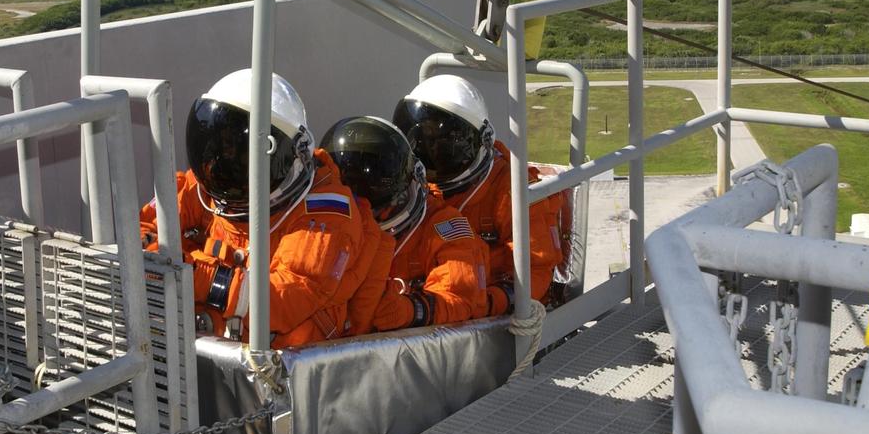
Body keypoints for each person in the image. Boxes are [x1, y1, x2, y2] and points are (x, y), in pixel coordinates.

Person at [139, 69, 381, 348]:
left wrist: (192, 274)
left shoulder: (327, 215)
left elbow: (279, 301)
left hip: (284, 370)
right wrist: (151, 249)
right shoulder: (213, 181)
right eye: (222, 145)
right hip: (212, 344)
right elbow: (147, 224)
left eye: (239, 150)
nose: (226, 159)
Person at [393, 74, 565, 316]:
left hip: (491, 312)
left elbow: (535, 271)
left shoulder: (512, 191)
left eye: (442, 140)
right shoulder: (417, 188)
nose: (432, 149)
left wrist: (488, 303)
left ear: (478, 139)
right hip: (435, 303)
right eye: (425, 139)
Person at [321, 116, 490, 333]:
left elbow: (463, 296)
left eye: (374, 186)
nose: (362, 201)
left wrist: (413, 310)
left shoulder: (444, 226)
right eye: (351, 186)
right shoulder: (333, 227)